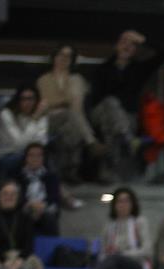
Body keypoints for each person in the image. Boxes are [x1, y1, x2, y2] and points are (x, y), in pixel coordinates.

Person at [87, 30, 164, 181]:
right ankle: (129, 140)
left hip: (126, 118)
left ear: (136, 49)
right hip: (101, 113)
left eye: (132, 44)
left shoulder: (139, 69)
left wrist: (143, 39)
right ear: (116, 46)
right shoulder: (103, 68)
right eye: (123, 42)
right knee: (111, 102)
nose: (126, 46)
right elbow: (95, 97)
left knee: (113, 130)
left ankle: (108, 171)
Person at [37, 45, 98, 182]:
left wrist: (63, 103)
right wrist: (63, 103)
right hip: (49, 120)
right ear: (54, 57)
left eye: (68, 56)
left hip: (71, 120)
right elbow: (48, 104)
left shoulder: (76, 79)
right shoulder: (43, 80)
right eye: (61, 54)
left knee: (70, 126)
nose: (64, 58)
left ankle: (68, 170)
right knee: (70, 116)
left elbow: (77, 107)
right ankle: (88, 146)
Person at [84, 186, 151, 269]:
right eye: (120, 201)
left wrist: (123, 254)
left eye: (126, 201)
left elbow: (147, 250)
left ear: (133, 204)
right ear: (114, 204)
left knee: (115, 258)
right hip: (113, 266)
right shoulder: (109, 225)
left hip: (135, 265)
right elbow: (103, 250)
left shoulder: (140, 222)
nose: (123, 205)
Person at [0, 180, 46, 269]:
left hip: (21, 258)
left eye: (13, 194)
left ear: (18, 197)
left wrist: (19, 261)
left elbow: (29, 245)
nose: (9, 197)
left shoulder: (25, 218)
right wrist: (5, 261)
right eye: (5, 193)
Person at [12, 143, 63, 236]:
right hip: (25, 207)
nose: (35, 158)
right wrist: (30, 205)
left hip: (45, 207)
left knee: (49, 217)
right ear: (26, 158)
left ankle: (51, 244)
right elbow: (15, 195)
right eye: (31, 155)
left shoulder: (51, 176)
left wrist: (42, 206)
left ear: (43, 158)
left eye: (39, 155)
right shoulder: (17, 176)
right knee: (23, 217)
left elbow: (54, 196)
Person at [0, 86, 49, 169]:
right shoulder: (6, 114)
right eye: (23, 99)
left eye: (30, 99)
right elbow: (19, 144)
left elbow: (42, 141)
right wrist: (34, 119)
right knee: (35, 158)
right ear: (17, 100)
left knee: (43, 155)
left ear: (36, 100)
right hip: (6, 156)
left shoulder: (40, 115)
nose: (27, 102)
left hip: (29, 154)